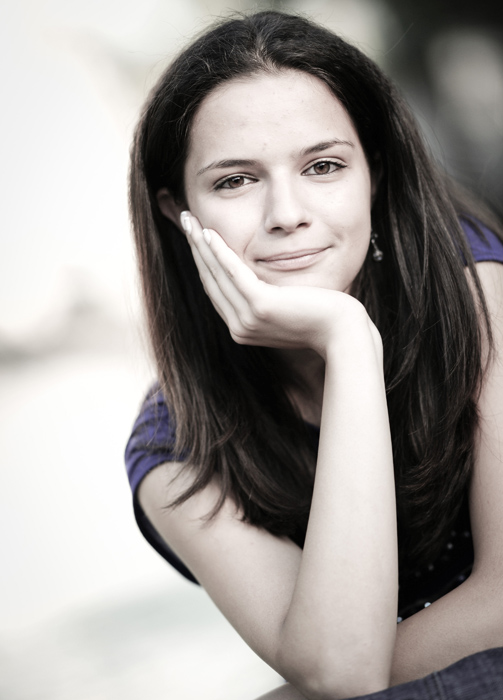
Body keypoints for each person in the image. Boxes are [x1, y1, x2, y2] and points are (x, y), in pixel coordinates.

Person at [125, 10, 503, 699]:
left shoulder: (472, 287)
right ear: (177, 211)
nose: (287, 213)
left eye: (323, 166)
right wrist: (348, 342)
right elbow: (339, 669)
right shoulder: (177, 447)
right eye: (235, 181)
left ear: (374, 174)